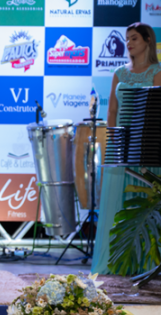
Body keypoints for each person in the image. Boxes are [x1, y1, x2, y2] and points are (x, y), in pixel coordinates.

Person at [92, 22, 161, 274]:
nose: (128, 43)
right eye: (127, 39)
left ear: (147, 40)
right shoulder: (119, 73)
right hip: (121, 146)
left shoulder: (157, 71)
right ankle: (114, 263)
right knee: (117, 204)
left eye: (134, 38)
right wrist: (115, 142)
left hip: (147, 147)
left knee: (144, 206)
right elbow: (112, 111)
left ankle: (145, 263)